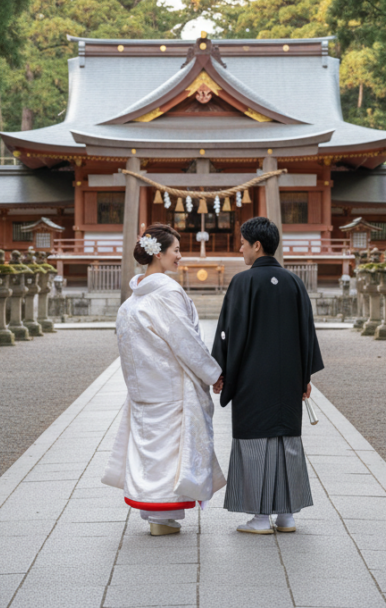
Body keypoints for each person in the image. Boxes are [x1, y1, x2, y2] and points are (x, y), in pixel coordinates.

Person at [102, 223, 225, 536]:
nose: (180, 256)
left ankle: (154, 513)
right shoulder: (167, 292)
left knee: (150, 449)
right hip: (171, 386)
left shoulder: (131, 301)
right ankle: (162, 516)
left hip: (145, 387)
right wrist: (213, 373)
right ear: (159, 254)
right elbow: (185, 341)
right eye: (176, 250)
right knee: (171, 451)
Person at [211, 216, 324, 534]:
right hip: (288, 378)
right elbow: (307, 334)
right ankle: (287, 515)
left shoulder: (243, 282)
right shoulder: (293, 282)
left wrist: (220, 372)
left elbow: (228, 334)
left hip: (252, 378)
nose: (240, 248)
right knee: (286, 440)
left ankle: (261, 518)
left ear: (256, 245)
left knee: (255, 441)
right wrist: (304, 377)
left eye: (243, 243)